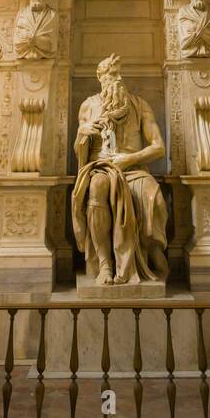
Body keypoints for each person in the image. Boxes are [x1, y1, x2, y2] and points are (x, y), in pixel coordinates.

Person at [71, 54, 168, 285]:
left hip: (133, 167)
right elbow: (80, 152)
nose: (119, 78)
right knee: (97, 187)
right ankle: (105, 264)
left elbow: (159, 147)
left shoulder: (139, 104)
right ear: (100, 77)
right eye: (113, 74)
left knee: (153, 193)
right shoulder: (88, 106)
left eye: (120, 73)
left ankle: (152, 245)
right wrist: (83, 133)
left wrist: (129, 158)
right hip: (100, 166)